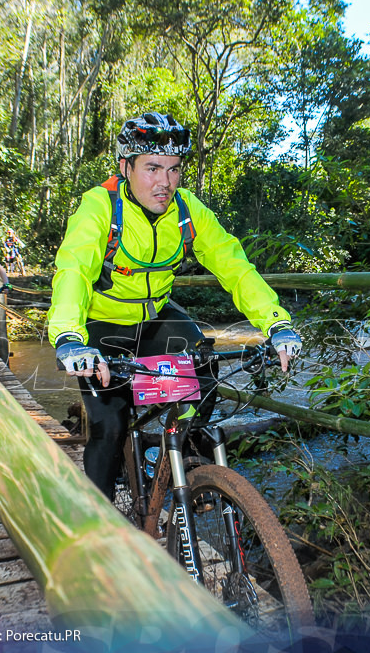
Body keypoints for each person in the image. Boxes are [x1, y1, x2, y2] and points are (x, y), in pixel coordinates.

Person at [48, 112, 302, 500]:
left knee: (204, 371)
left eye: (173, 169)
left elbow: (235, 267)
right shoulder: (101, 206)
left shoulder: (188, 211)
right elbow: (74, 269)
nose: (164, 182)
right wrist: (68, 336)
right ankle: (97, 523)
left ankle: (169, 457)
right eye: (152, 168)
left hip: (154, 319)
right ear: (125, 166)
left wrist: (276, 324)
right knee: (109, 427)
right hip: (100, 325)